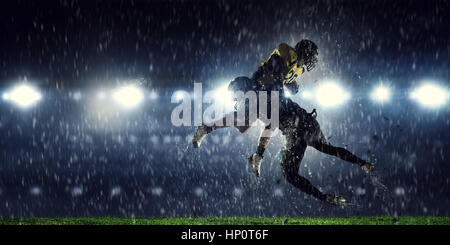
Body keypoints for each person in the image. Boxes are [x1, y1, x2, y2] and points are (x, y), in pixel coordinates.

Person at [192, 40, 374, 206]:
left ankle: (207, 129)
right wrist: (259, 154)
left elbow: (269, 113)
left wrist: (284, 85)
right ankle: (352, 173)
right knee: (320, 150)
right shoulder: (277, 70)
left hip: (293, 125)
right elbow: (271, 116)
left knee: (248, 123)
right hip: (304, 123)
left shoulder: (267, 91)